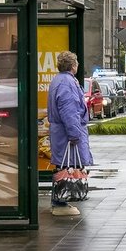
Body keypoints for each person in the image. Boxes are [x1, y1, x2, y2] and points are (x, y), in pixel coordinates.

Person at [46, 50, 93, 217]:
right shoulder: (67, 83)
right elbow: (69, 110)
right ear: (73, 65)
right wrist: (74, 134)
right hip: (67, 133)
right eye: (77, 63)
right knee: (67, 167)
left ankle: (59, 200)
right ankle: (60, 201)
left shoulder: (59, 80)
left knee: (63, 166)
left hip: (60, 131)